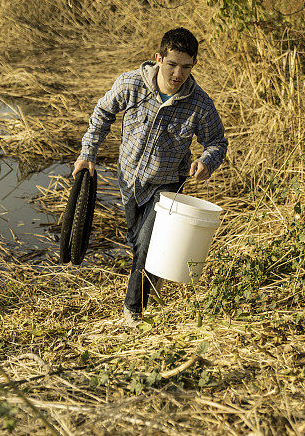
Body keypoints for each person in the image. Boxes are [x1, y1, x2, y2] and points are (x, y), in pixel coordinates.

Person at [73, 27, 228, 326]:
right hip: (129, 180)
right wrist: (88, 153)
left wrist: (207, 161)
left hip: (168, 185)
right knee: (138, 242)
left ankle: (133, 312)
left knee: (145, 245)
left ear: (193, 65)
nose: (177, 74)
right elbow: (103, 112)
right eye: (172, 64)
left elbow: (217, 142)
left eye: (186, 67)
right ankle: (152, 276)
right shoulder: (131, 84)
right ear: (158, 58)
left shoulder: (200, 104)